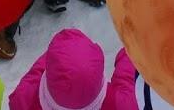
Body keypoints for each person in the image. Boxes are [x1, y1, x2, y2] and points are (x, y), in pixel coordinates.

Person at [9, 29, 137, 110]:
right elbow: (125, 79)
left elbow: (35, 74)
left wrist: (54, 56)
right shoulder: (119, 104)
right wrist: (131, 50)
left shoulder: (25, 99)